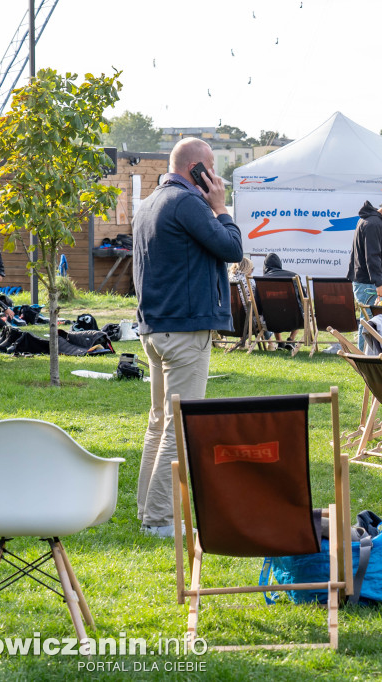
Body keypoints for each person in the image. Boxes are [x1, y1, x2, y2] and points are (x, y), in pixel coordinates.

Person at [132, 137, 243, 538]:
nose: (215, 177)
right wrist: (221, 207)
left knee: (159, 422)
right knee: (178, 426)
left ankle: (148, 511)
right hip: (183, 331)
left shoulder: (149, 204)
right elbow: (231, 248)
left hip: (155, 328)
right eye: (211, 168)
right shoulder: (189, 203)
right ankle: (160, 520)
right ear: (198, 169)